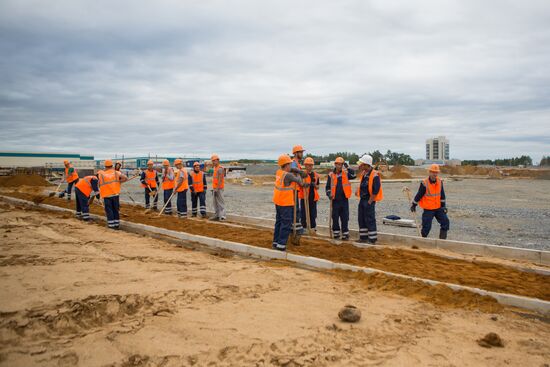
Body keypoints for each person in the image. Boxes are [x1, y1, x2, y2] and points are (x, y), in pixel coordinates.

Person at [273, 154, 303, 251]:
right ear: (286, 165)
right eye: (289, 164)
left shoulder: (279, 172)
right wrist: (300, 173)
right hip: (286, 203)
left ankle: (276, 241)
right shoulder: (288, 175)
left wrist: (296, 170)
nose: (291, 166)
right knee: (286, 223)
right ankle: (281, 245)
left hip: (278, 202)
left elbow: (290, 171)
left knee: (279, 222)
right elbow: (299, 181)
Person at [411, 164, 450, 239]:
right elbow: (419, 195)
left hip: (438, 208)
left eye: (436, 172)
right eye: (433, 172)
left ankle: (442, 241)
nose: (434, 174)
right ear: (429, 172)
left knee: (445, 222)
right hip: (428, 209)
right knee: (426, 227)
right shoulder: (424, 183)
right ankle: (423, 240)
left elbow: (442, 196)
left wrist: (443, 207)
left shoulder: (440, 182)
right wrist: (414, 204)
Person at [325, 157, 356, 240]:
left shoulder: (345, 173)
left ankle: (345, 234)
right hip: (335, 200)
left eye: (341, 164)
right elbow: (327, 187)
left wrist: (348, 167)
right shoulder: (331, 175)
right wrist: (329, 194)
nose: (339, 166)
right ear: (335, 164)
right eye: (338, 164)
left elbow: (353, 175)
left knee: (345, 217)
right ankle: (336, 233)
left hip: (344, 200)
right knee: (335, 217)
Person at [356, 154, 383, 243]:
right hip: (362, 199)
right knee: (361, 218)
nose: (361, 165)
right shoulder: (364, 173)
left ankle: (372, 239)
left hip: (369, 200)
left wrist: (370, 201)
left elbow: (376, 190)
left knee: (370, 219)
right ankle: (363, 238)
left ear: (367, 165)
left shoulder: (375, 175)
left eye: (362, 164)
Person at [97, 160, 128, 229]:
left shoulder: (101, 173)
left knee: (109, 210)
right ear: (112, 165)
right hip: (115, 194)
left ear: (105, 166)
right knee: (115, 210)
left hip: (107, 195)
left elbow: (97, 181)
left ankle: (111, 225)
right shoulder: (116, 172)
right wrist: (119, 182)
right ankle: (117, 225)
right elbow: (125, 178)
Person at [300, 157, 320, 232]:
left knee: (313, 214)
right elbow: (300, 185)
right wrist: (304, 184)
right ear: (305, 165)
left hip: (313, 198)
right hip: (304, 197)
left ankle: (312, 227)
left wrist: (314, 185)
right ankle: (304, 228)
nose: (310, 167)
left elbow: (317, 187)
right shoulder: (302, 175)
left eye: (311, 165)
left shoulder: (316, 175)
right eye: (308, 165)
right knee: (303, 214)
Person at [290, 145, 306, 235]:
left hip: (296, 189)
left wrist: (302, 183)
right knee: (295, 210)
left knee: (296, 210)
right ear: (296, 153)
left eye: (302, 152)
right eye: (300, 152)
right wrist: (299, 171)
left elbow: (298, 176)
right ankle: (294, 230)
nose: (302, 154)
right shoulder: (293, 162)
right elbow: (292, 171)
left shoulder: (298, 163)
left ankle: (295, 230)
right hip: (292, 189)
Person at [210, 154, 226, 221]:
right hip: (215, 188)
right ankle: (217, 215)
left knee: (220, 202)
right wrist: (214, 188)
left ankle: (222, 216)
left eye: (214, 160)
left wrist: (217, 188)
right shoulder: (215, 168)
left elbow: (220, 179)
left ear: (218, 160)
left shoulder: (220, 169)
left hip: (219, 188)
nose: (213, 162)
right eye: (212, 161)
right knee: (215, 203)